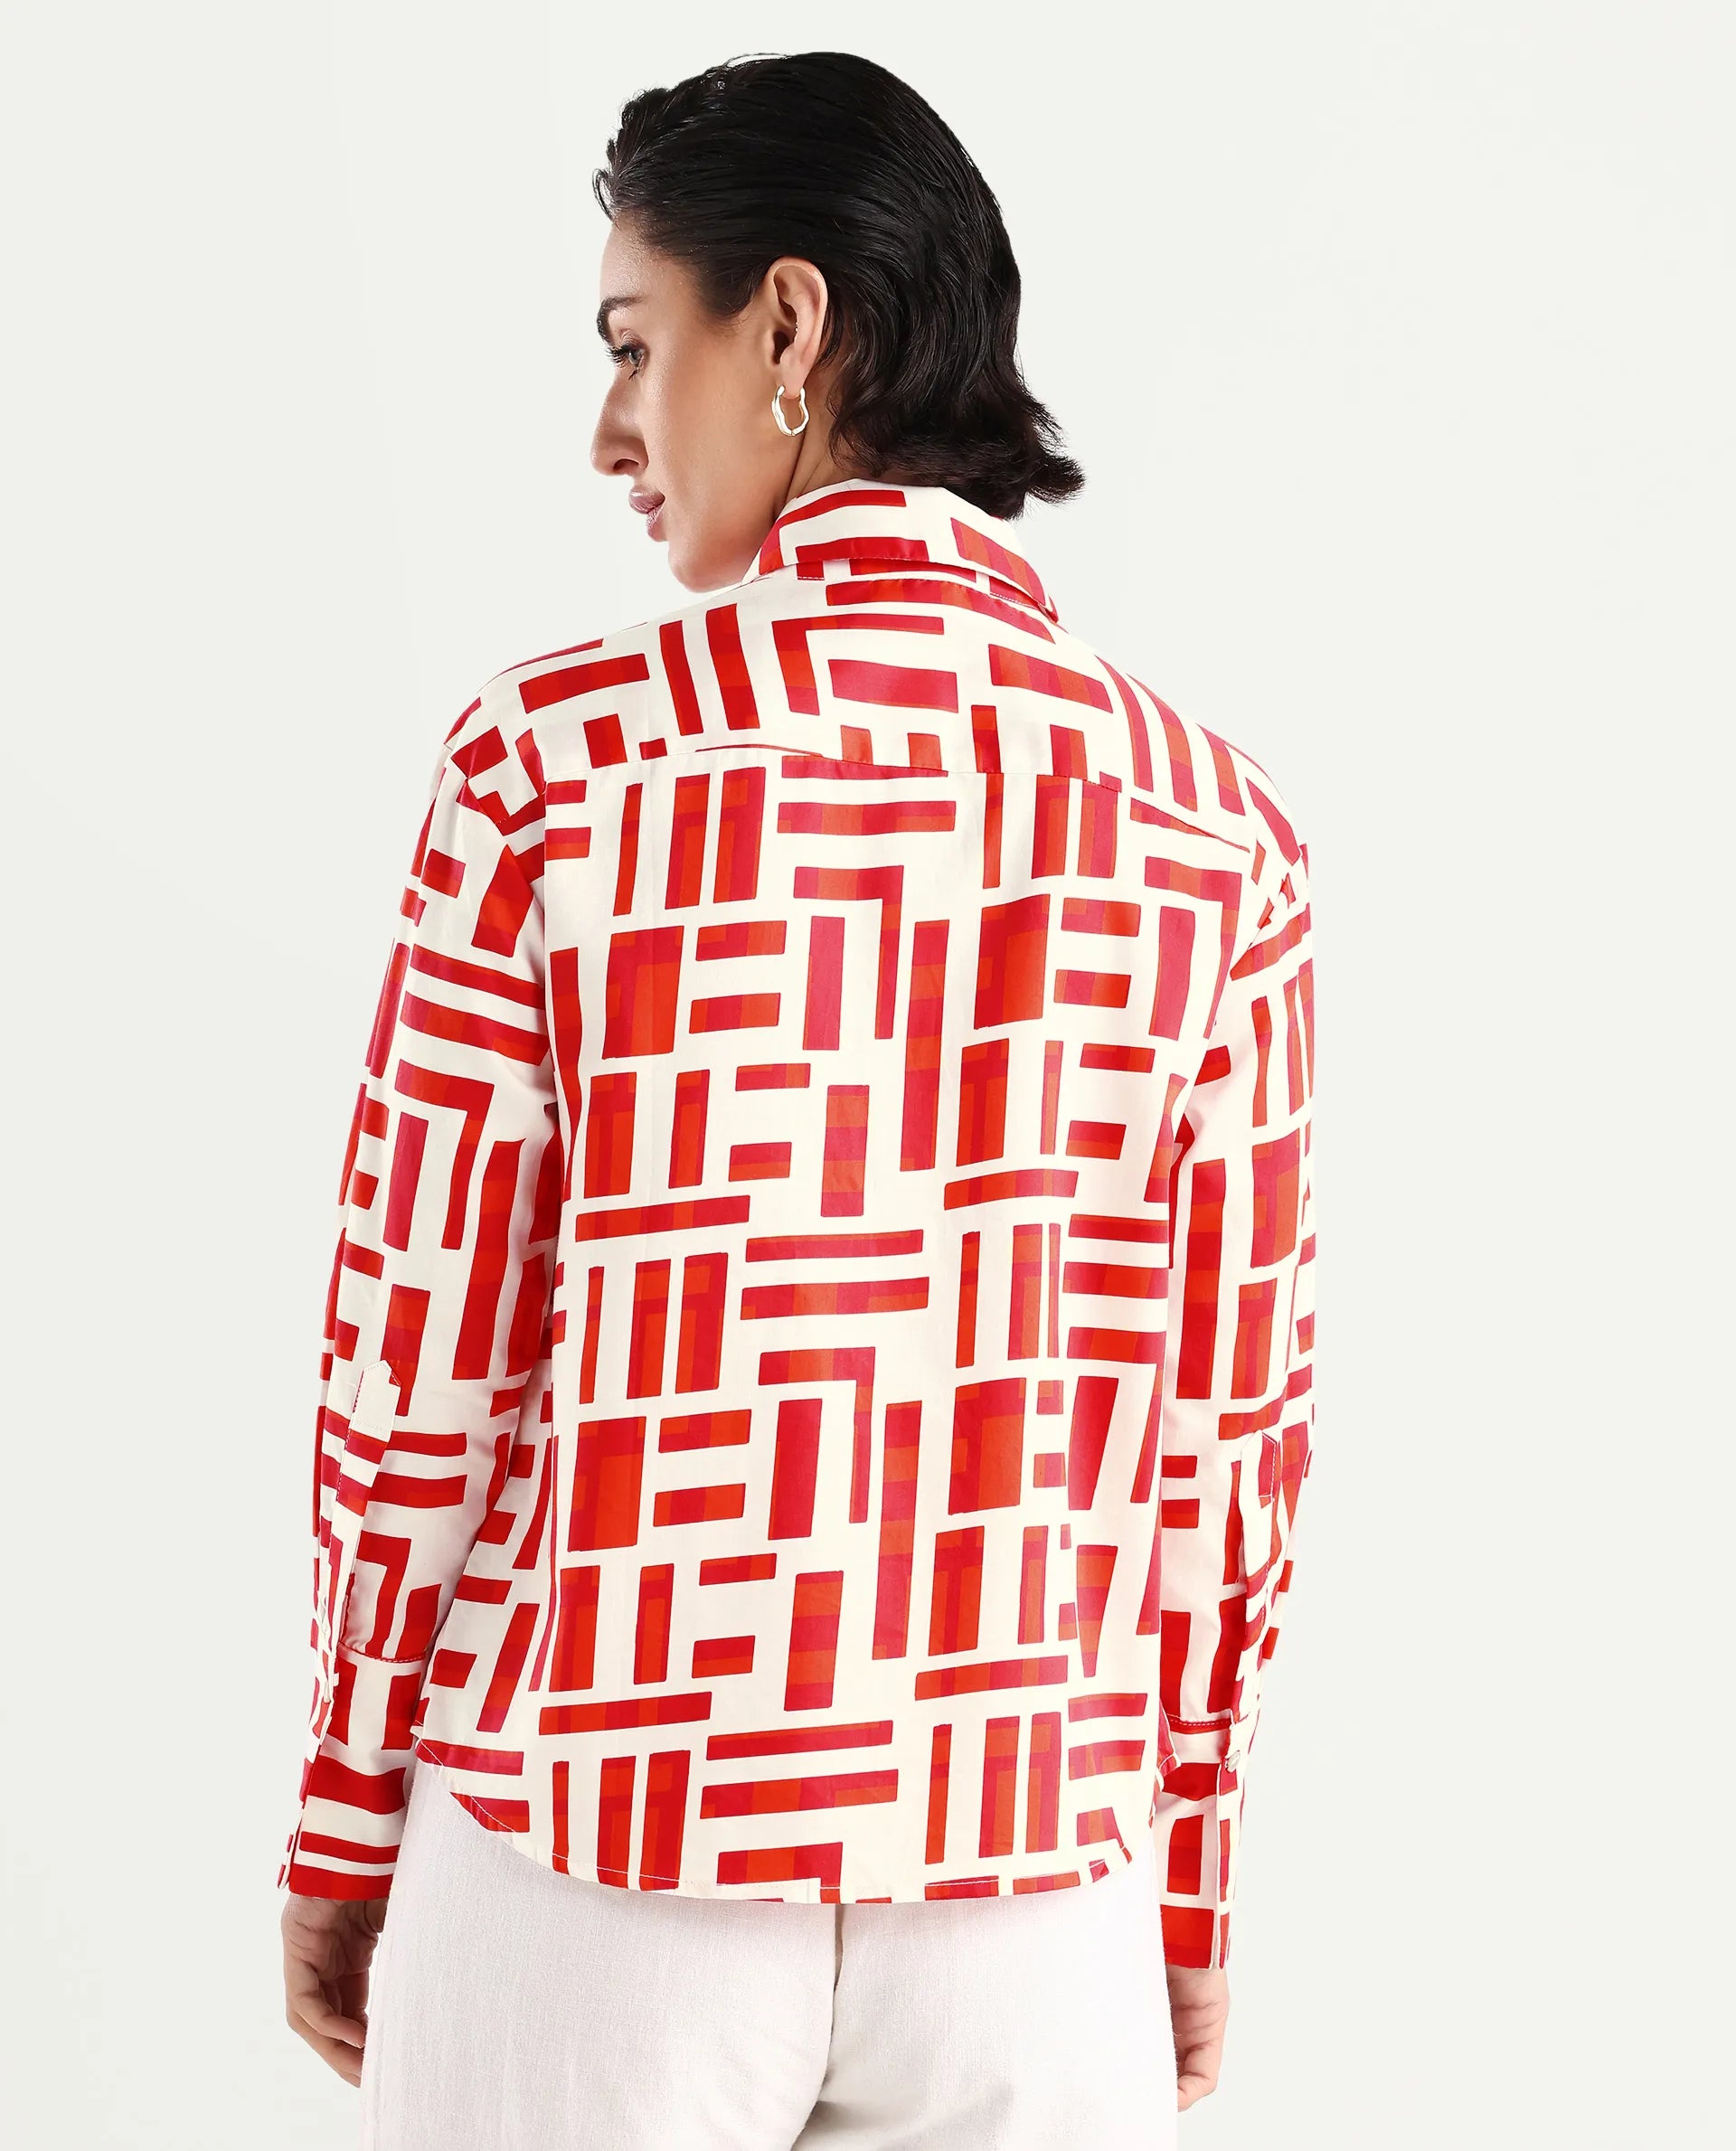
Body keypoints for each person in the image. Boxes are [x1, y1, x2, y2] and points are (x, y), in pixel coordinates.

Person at [278, 48, 1316, 2150]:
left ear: (788, 327)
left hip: (596, 1837)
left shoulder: (551, 764)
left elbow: (418, 1365)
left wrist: (347, 1803)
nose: (609, 430)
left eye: (630, 341)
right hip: (1035, 1876)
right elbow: (1229, 1440)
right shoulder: (1216, 826)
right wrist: (1189, 1869)